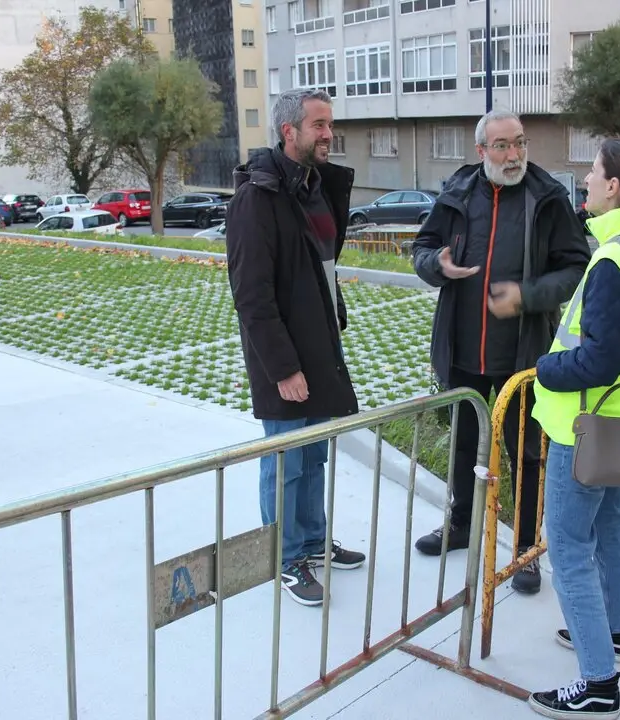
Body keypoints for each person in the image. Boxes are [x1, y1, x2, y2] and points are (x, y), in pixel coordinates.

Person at [411, 109, 591, 595]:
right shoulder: (458, 193)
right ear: (481, 151)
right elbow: (422, 247)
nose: (513, 155)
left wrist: (527, 296)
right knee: (465, 448)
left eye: (520, 143)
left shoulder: (547, 197)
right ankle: (462, 524)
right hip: (464, 350)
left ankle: (526, 550)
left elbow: (577, 267)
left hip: (524, 355)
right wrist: (437, 265)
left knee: (527, 453)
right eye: (502, 146)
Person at [525, 136, 620, 719]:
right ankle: (616, 634)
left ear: (613, 187)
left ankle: (597, 682)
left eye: (592, 171)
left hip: (583, 422)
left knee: (568, 545)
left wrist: (543, 366)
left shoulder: (615, 258)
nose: (584, 179)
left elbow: (600, 357)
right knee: (611, 523)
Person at [225, 88, 366, 607]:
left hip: (320, 343)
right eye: (319, 125)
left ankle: (311, 541)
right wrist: (283, 367)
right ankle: (284, 560)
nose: (329, 134)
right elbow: (252, 296)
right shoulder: (256, 199)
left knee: (313, 456)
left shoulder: (316, 187)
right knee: (285, 459)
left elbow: (321, 266)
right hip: (283, 356)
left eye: (330, 125)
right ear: (290, 132)